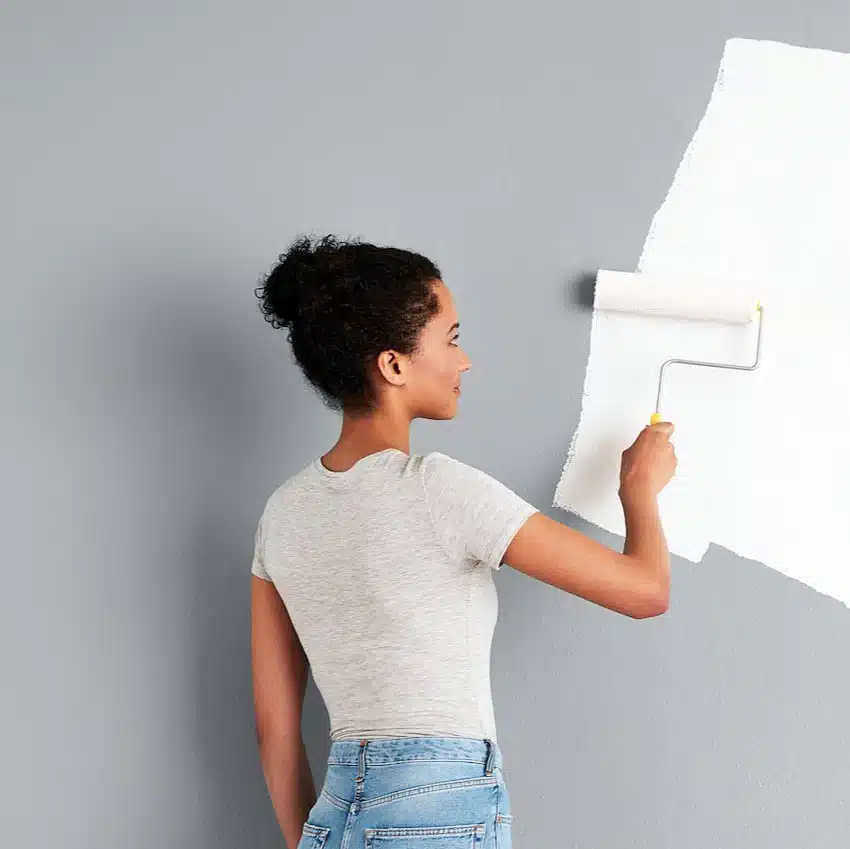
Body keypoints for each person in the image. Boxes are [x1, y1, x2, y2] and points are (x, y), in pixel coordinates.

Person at [250, 234, 676, 849]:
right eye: (450, 340)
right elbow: (645, 591)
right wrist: (639, 488)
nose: (465, 360)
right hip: (438, 805)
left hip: (335, 814)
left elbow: (275, 727)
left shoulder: (283, 514)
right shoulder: (438, 489)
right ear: (393, 365)